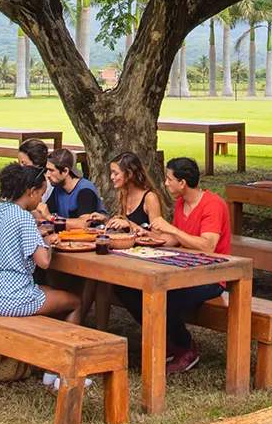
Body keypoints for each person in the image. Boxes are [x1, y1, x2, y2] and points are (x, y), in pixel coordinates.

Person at [120, 156, 232, 376]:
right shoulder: (182, 203)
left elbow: (207, 246)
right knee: (126, 289)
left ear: (183, 182)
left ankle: (186, 348)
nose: (165, 183)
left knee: (166, 298)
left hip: (211, 276)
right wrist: (146, 234)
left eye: (169, 179)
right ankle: (167, 342)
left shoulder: (213, 205)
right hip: (184, 270)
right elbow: (175, 241)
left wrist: (171, 229)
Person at [0, 162, 82, 392]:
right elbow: (44, 262)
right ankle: (62, 370)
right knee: (75, 302)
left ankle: (50, 365)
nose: (41, 199)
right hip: (15, 296)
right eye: (41, 193)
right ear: (30, 192)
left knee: (50, 293)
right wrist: (49, 242)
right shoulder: (24, 218)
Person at [91, 150, 163, 229]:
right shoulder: (123, 194)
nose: (111, 177)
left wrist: (130, 224)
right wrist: (106, 221)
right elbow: (125, 228)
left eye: (116, 173)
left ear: (129, 174)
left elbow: (157, 236)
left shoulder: (150, 198)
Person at [44, 148, 101, 220]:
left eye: (51, 170)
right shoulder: (58, 188)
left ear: (65, 171)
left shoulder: (85, 190)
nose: (47, 175)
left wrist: (50, 217)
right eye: (47, 170)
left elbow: (83, 224)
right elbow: (45, 212)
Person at [18, 138, 54, 213]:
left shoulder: (44, 184)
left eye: (24, 163)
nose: (20, 166)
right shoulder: (22, 178)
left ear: (37, 163)